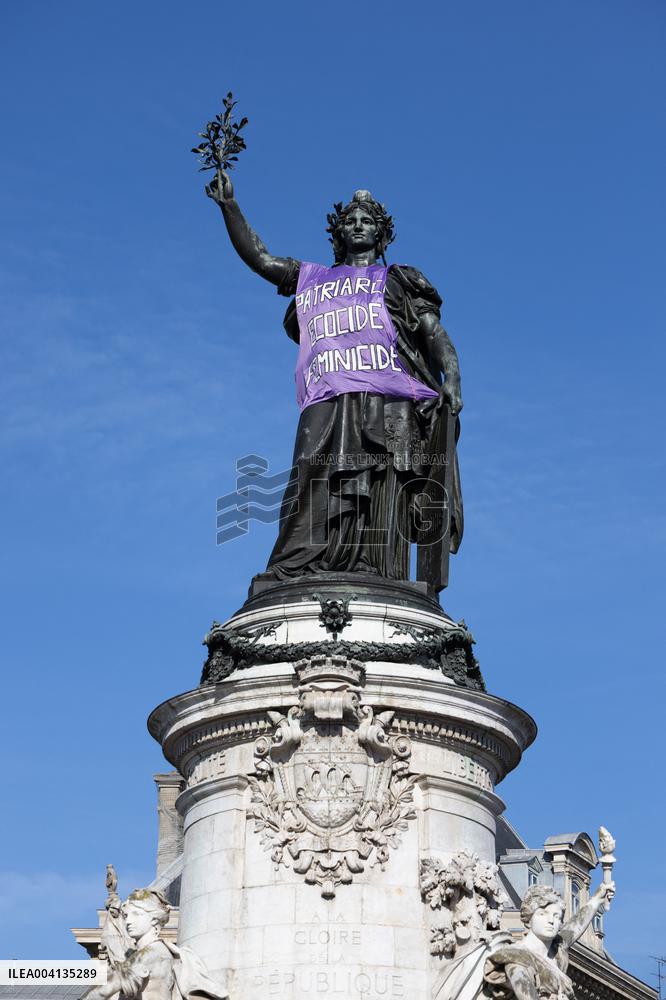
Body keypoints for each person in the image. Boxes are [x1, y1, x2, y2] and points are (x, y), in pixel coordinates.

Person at [206, 170, 464, 590]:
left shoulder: (398, 281)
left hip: (389, 398)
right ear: (339, 232)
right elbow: (262, 260)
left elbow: (433, 334)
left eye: (367, 221)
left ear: (381, 235)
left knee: (383, 481)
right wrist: (230, 207)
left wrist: (451, 375)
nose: (357, 225)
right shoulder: (313, 280)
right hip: (328, 396)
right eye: (350, 221)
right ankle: (299, 563)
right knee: (311, 466)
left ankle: (375, 570)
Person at [83, 888, 227, 1000]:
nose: (128, 921)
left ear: (153, 919)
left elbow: (104, 991)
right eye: (126, 916)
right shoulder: (159, 951)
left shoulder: (151, 952)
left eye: (136, 914)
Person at [483, 881, 616, 1000]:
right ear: (529, 918)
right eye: (543, 914)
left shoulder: (556, 952)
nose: (551, 920)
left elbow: (574, 928)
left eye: (556, 916)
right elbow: (526, 995)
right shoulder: (517, 956)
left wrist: (596, 900)